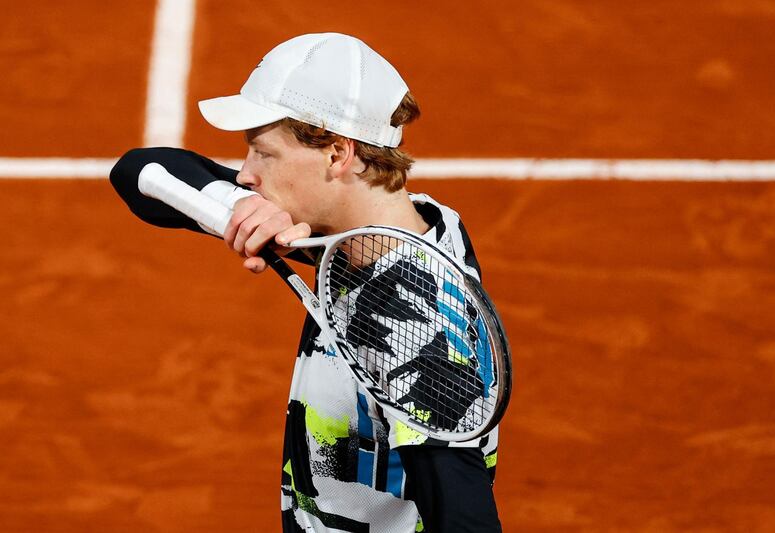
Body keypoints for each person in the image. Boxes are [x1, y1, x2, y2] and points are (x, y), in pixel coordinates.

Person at [111, 32, 501, 533]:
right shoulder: (404, 230)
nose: (246, 174)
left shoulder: (414, 329)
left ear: (338, 153)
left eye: (263, 154)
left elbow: (464, 513)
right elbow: (140, 171)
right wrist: (236, 209)